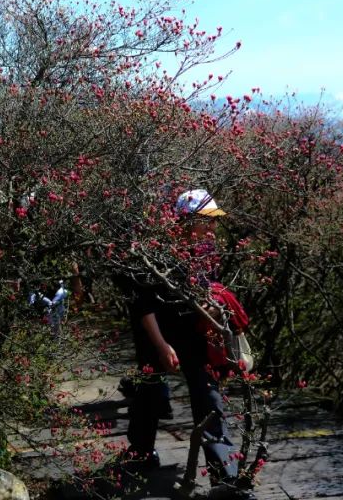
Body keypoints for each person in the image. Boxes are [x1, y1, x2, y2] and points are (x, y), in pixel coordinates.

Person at [113, 189, 252, 499]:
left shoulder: (205, 253)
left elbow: (207, 293)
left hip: (194, 339)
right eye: (207, 221)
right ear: (188, 221)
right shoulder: (159, 253)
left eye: (213, 222)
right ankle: (140, 454)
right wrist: (162, 346)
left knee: (209, 402)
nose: (212, 228)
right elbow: (143, 304)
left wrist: (216, 308)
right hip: (159, 337)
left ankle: (224, 476)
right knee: (148, 395)